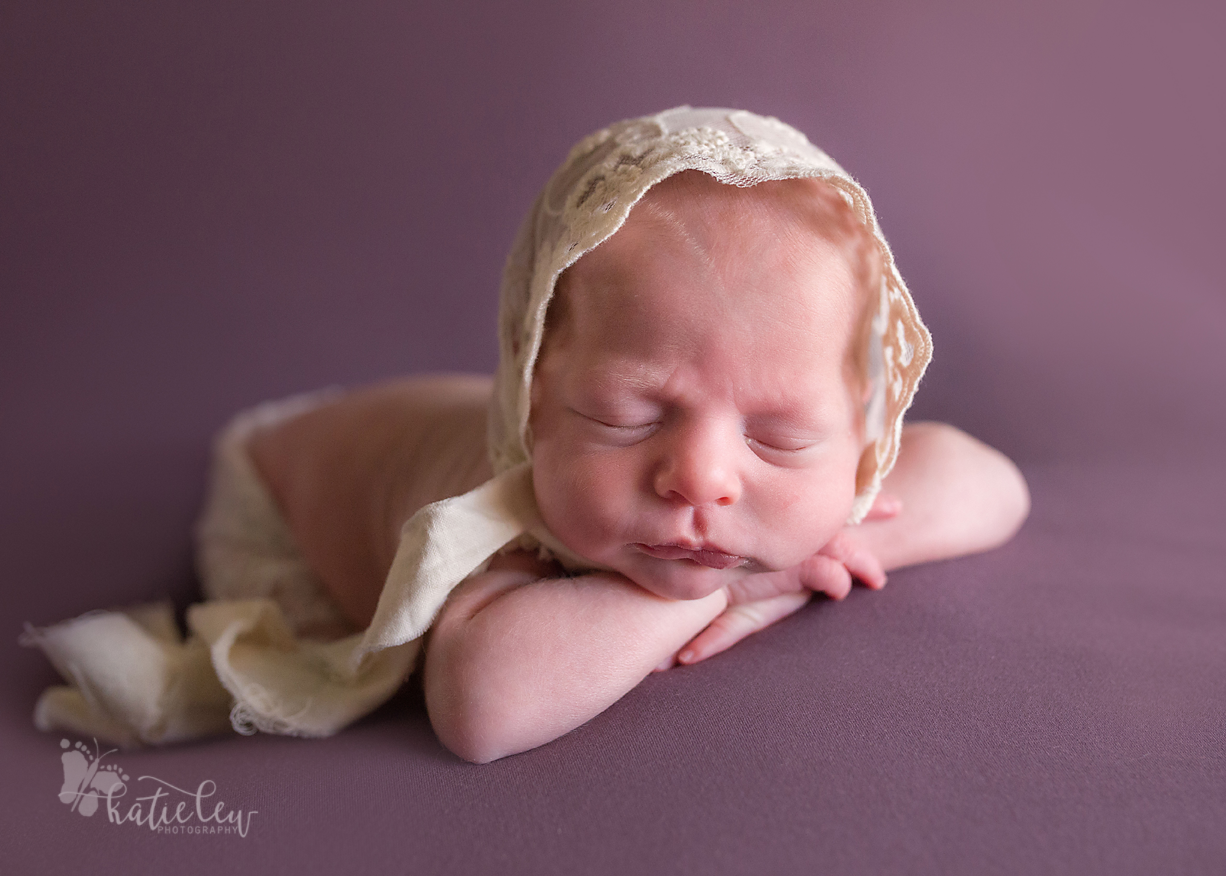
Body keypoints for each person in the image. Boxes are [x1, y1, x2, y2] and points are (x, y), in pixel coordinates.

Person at [24, 108, 1029, 761]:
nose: (701, 477)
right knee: (335, 645)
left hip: (437, 406)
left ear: (859, 430)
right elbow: (481, 708)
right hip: (280, 482)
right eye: (628, 417)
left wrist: (842, 530)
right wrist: (749, 578)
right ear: (535, 402)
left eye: (777, 439)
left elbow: (989, 485)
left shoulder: (819, 460)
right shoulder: (493, 516)